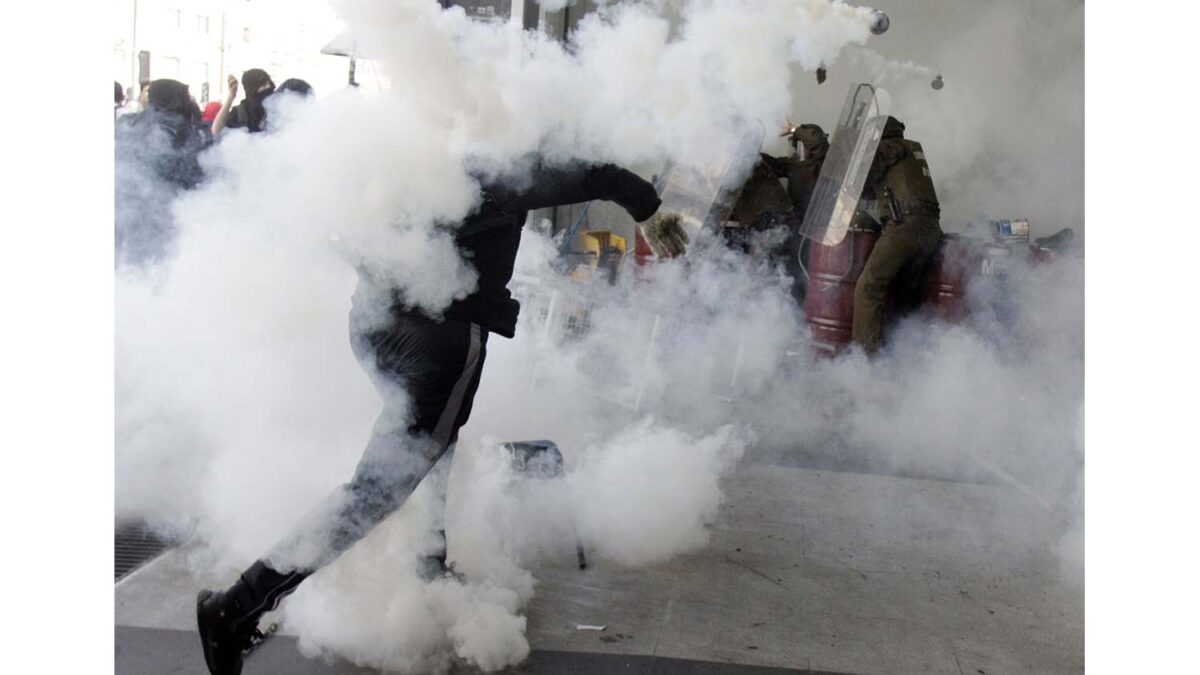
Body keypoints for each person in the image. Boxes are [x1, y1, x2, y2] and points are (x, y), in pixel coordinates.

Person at [195, 159, 687, 675]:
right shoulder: (503, 154)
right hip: (439, 341)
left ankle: (429, 568)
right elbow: (593, 176)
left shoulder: (420, 139)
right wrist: (649, 210)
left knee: (434, 446)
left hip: (374, 323)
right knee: (380, 487)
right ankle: (238, 607)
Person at [851, 116, 942, 354]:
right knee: (904, 294)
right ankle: (903, 358)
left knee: (868, 288)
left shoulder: (889, 147)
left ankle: (863, 362)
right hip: (930, 230)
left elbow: (863, 170)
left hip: (905, 228)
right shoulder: (911, 150)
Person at [211, 68, 276, 136]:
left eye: (269, 84)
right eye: (263, 85)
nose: (268, 87)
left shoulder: (278, 107)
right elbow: (216, 131)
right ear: (252, 89)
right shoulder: (241, 112)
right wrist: (231, 97)